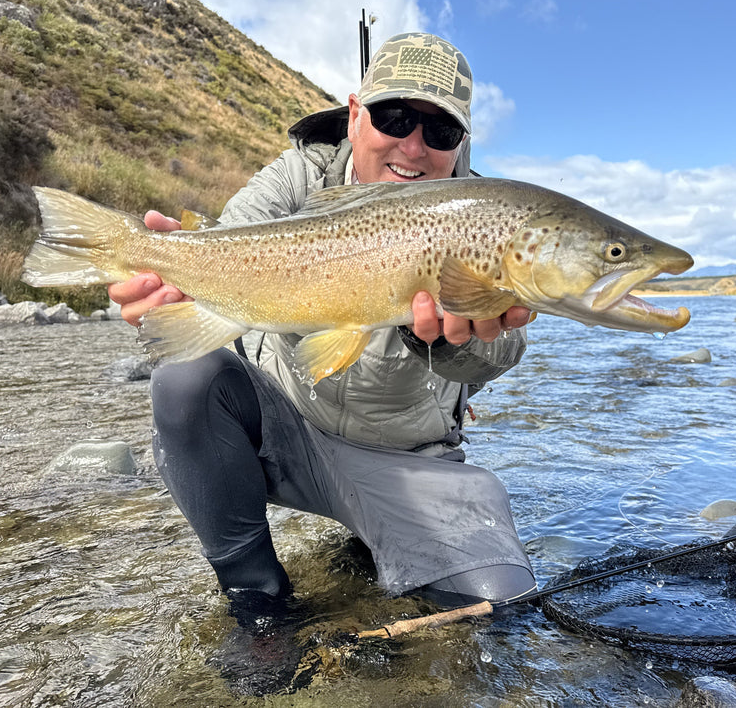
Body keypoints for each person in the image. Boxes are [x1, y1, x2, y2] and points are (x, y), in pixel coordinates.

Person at [108, 33, 537, 621]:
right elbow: (234, 244)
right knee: (185, 376)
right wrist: (169, 276)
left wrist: (432, 336)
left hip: (408, 460)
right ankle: (257, 601)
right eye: (395, 117)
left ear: (461, 144)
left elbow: (501, 348)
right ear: (356, 115)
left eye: (440, 132)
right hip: (286, 437)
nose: (414, 147)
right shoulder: (295, 178)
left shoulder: (484, 217)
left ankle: (375, 538)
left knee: (503, 607)